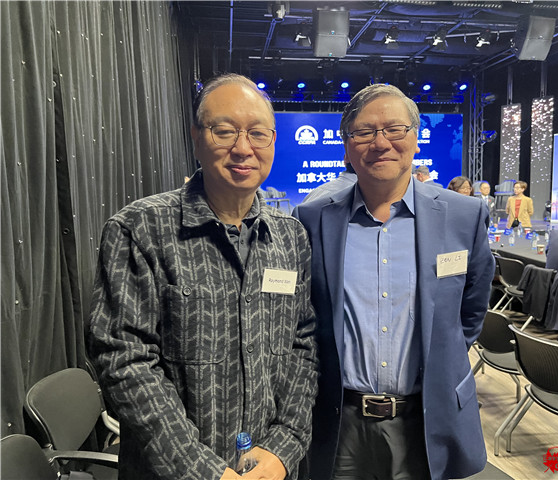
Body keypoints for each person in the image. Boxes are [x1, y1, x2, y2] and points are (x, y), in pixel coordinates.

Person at [88, 74, 318, 479]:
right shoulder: (141, 229)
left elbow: (303, 345)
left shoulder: (291, 236)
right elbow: (125, 360)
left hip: (268, 468)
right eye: (224, 131)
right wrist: (202, 471)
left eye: (257, 133)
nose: (243, 148)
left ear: (272, 141)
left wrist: (283, 448)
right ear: (196, 138)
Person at [293, 84, 494, 480]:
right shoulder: (313, 219)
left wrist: (440, 360)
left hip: (427, 420)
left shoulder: (464, 216)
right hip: (340, 422)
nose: (380, 143)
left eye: (395, 129)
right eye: (364, 132)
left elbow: (471, 311)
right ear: (347, 147)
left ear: (415, 139)